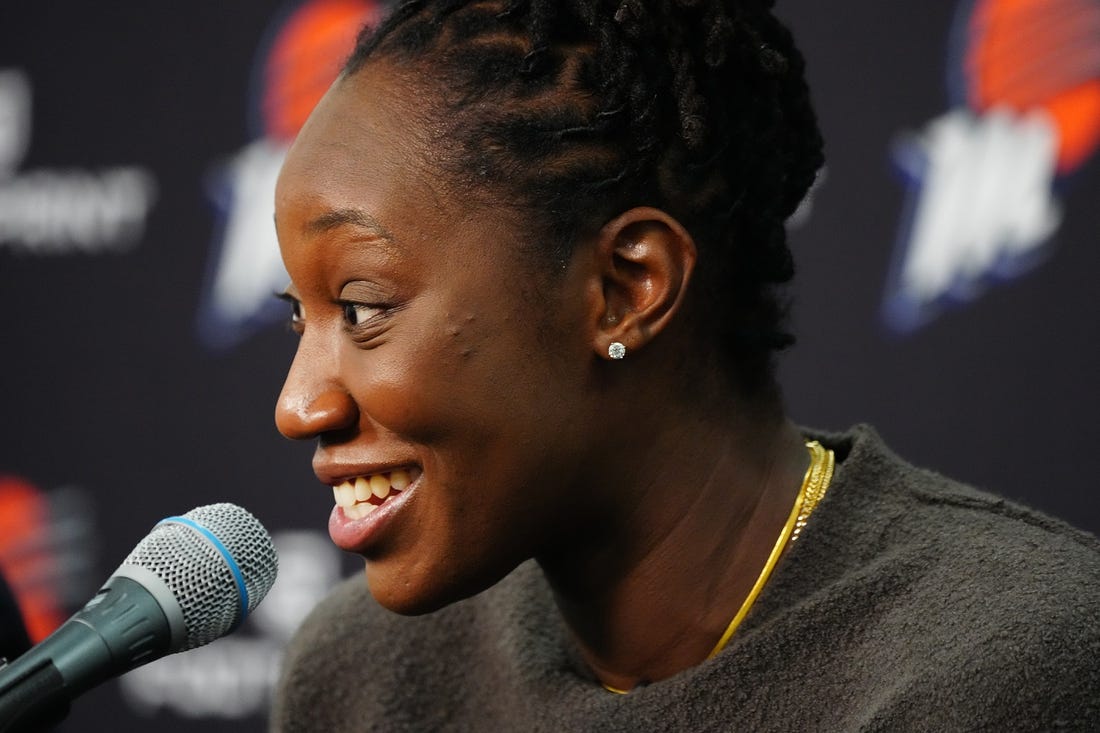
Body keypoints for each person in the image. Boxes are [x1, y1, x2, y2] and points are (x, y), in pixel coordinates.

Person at [269, 1, 1100, 730]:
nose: (299, 405)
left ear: (626, 289)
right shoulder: (361, 675)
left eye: (364, 308)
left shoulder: (1008, 669)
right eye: (296, 316)